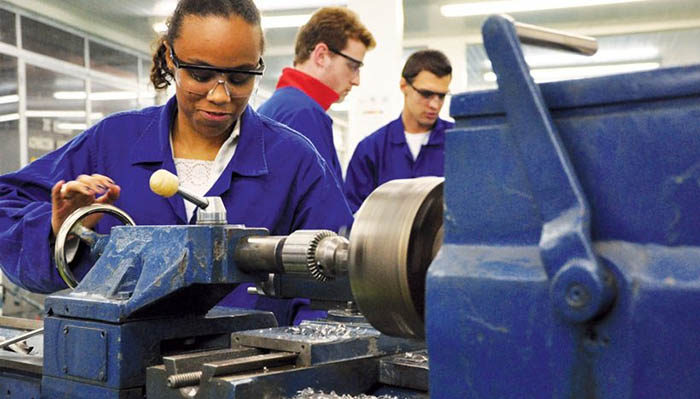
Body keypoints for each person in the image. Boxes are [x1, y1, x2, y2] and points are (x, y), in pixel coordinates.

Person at [0, 0, 352, 325]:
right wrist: (59, 229)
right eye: (200, 75)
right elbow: (6, 206)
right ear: (171, 59)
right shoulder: (114, 142)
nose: (219, 95)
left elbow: (336, 286)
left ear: (258, 66)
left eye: (240, 78)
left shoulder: (293, 161)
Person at [257, 7, 375, 183]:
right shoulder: (304, 114)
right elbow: (321, 204)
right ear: (321, 56)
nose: (356, 80)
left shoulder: (278, 105)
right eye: (353, 66)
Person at [343, 50, 454, 213]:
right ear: (404, 86)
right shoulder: (371, 151)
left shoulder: (459, 144)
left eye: (441, 96)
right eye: (426, 94)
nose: (435, 105)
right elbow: (353, 216)